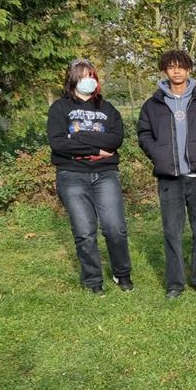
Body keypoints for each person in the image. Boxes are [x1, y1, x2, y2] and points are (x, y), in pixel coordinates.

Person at [136, 50, 196, 299]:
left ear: (189, 69)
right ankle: (175, 283)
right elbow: (143, 134)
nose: (176, 71)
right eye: (171, 67)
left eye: (181, 66)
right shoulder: (153, 104)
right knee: (172, 230)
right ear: (164, 71)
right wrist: (158, 154)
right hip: (169, 178)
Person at [48, 59, 133, 295]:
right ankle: (93, 280)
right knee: (84, 232)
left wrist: (77, 137)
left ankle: (122, 273)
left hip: (106, 174)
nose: (89, 79)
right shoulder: (59, 108)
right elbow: (58, 143)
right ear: (73, 78)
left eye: (92, 75)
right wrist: (95, 149)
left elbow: (115, 140)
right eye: (83, 75)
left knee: (115, 228)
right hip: (72, 175)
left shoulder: (107, 109)